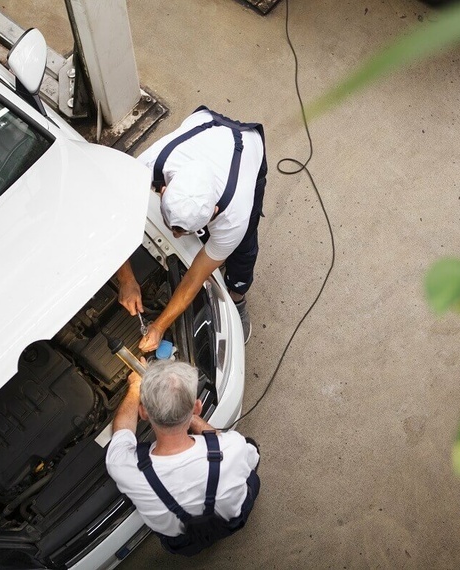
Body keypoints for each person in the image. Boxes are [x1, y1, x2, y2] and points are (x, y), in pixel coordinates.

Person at [116, 105, 267, 351]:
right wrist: (126, 279)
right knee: (215, 244)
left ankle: (238, 298)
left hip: (247, 147)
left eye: (181, 232)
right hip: (204, 124)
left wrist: (159, 326)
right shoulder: (148, 165)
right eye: (173, 228)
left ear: (215, 211)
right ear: (163, 188)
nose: (175, 236)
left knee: (243, 246)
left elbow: (195, 277)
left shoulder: (234, 215)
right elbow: (115, 219)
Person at [106, 360, 260, 556]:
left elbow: (123, 430)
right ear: (197, 407)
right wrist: (183, 412)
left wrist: (135, 387)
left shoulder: (122, 466)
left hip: (181, 542)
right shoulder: (232, 448)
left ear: (143, 412)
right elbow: (250, 460)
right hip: (233, 520)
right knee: (252, 448)